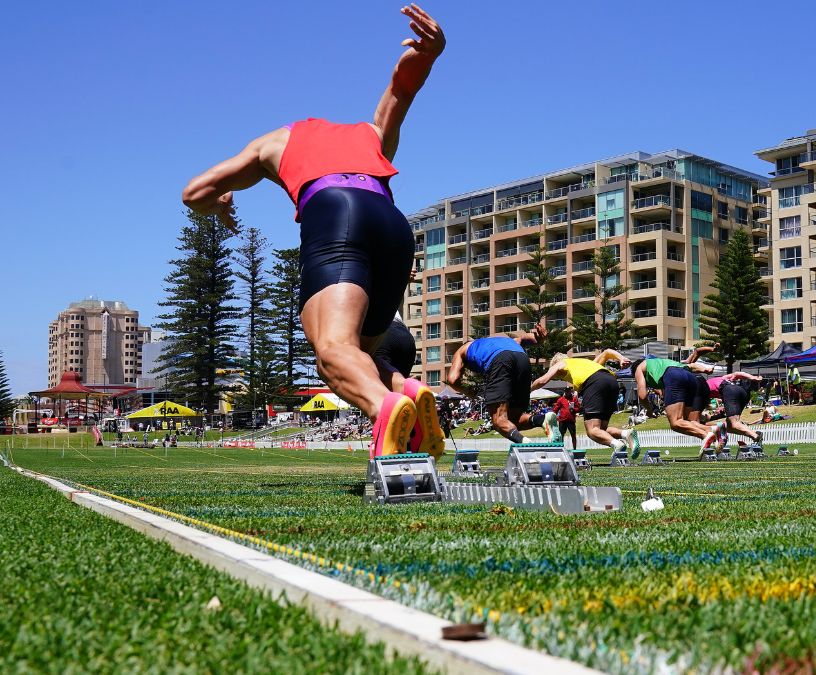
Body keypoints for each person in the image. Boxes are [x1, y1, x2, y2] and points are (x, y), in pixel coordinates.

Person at [182, 4, 446, 458]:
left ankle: (386, 408)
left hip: (337, 215)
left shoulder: (274, 142)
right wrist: (431, 52)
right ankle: (406, 390)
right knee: (353, 356)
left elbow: (194, 192)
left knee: (330, 350)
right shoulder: (370, 133)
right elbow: (400, 90)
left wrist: (219, 201)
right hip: (394, 228)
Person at [446, 326, 547, 444]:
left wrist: (470, 392)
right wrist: (540, 338)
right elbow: (524, 339)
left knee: (498, 421)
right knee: (513, 419)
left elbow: (452, 380)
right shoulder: (498, 341)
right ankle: (544, 420)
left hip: (500, 360)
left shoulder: (462, 349)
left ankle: (524, 443)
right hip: (523, 359)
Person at [532, 350, 639, 457]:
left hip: (595, 384)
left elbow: (542, 380)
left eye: (558, 376)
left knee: (592, 431)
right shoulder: (587, 363)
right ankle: (626, 434)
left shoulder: (562, 363)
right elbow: (607, 352)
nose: (560, 377)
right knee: (601, 430)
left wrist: (528, 391)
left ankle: (617, 445)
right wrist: (621, 358)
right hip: (612, 382)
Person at [631, 357, 722, 454]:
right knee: (687, 421)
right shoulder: (663, 362)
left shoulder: (639, 368)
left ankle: (706, 435)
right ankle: (712, 429)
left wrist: (649, 410)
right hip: (691, 379)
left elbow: (642, 396)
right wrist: (705, 369)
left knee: (676, 423)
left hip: (674, 377)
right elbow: (692, 366)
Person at [705, 371, 765, 444]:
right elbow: (736, 374)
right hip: (742, 392)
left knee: (734, 423)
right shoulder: (720, 379)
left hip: (730, 391)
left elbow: (705, 413)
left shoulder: (701, 387)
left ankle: (756, 436)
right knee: (730, 426)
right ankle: (754, 434)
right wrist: (753, 377)